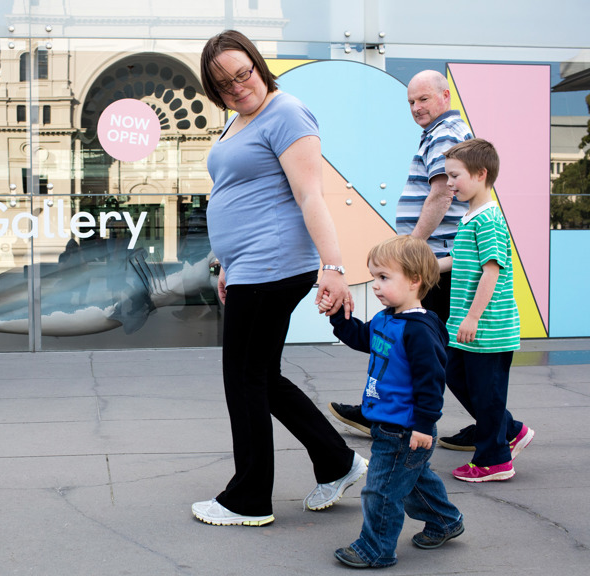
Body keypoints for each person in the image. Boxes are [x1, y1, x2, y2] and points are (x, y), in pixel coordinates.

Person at [190, 29, 367, 528]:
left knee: (242, 378)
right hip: (249, 267)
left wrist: (332, 267)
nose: (238, 86)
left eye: (243, 72)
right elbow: (237, 192)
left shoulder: (286, 112)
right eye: (224, 83)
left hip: (274, 266)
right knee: (262, 377)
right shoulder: (238, 120)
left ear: (257, 63)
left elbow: (312, 196)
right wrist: (226, 262)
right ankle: (338, 461)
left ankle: (248, 498)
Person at [328, 70, 478, 450]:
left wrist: (411, 252)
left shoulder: (445, 134)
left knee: (431, 351)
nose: (416, 107)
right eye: (411, 102)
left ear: (445, 96)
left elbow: (442, 195)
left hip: (435, 264)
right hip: (431, 261)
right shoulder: (439, 133)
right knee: (402, 338)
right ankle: (377, 408)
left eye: (423, 99)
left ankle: (502, 426)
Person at [321, 235, 464, 568]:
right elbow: (362, 338)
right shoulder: (389, 318)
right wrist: (338, 318)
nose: (375, 285)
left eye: (384, 278)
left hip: (405, 430)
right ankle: (445, 521)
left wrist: (424, 425)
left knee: (381, 492)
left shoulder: (420, 330)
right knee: (414, 483)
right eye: (374, 277)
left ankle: (376, 548)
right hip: (386, 423)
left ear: (414, 281)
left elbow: (431, 384)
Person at [438, 138, 534, 482]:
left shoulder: (489, 219)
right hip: (470, 326)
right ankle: (510, 430)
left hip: (487, 327)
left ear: (480, 174)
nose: (449, 183)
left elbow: (492, 271)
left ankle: (495, 460)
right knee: (457, 377)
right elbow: (465, 260)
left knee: (486, 393)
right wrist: (430, 267)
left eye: (455, 176)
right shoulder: (470, 216)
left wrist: (473, 316)